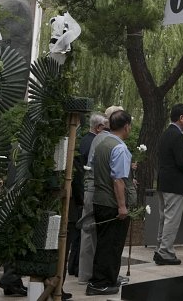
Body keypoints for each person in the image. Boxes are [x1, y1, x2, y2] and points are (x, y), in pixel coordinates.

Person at [86, 110, 135, 296]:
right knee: (111, 245)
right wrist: (122, 205)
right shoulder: (119, 147)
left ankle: (106, 278)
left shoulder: (101, 143)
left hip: (100, 200)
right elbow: (118, 180)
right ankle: (100, 283)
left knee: (104, 243)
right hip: (111, 203)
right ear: (126, 126)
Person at [77, 106, 121, 285]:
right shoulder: (104, 140)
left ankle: (87, 274)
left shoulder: (100, 138)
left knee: (90, 232)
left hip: (92, 188)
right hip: (97, 190)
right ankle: (92, 274)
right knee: (93, 232)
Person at [154, 103, 183, 265]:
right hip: (175, 184)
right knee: (172, 219)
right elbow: (181, 162)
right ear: (181, 118)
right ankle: (166, 251)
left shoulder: (165, 134)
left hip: (164, 182)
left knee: (164, 217)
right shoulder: (177, 136)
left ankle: (160, 248)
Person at [68, 113, 107, 276]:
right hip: (84, 190)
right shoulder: (93, 142)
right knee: (83, 231)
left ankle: (74, 266)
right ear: (99, 128)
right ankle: (77, 267)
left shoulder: (84, 140)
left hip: (81, 189)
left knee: (80, 232)